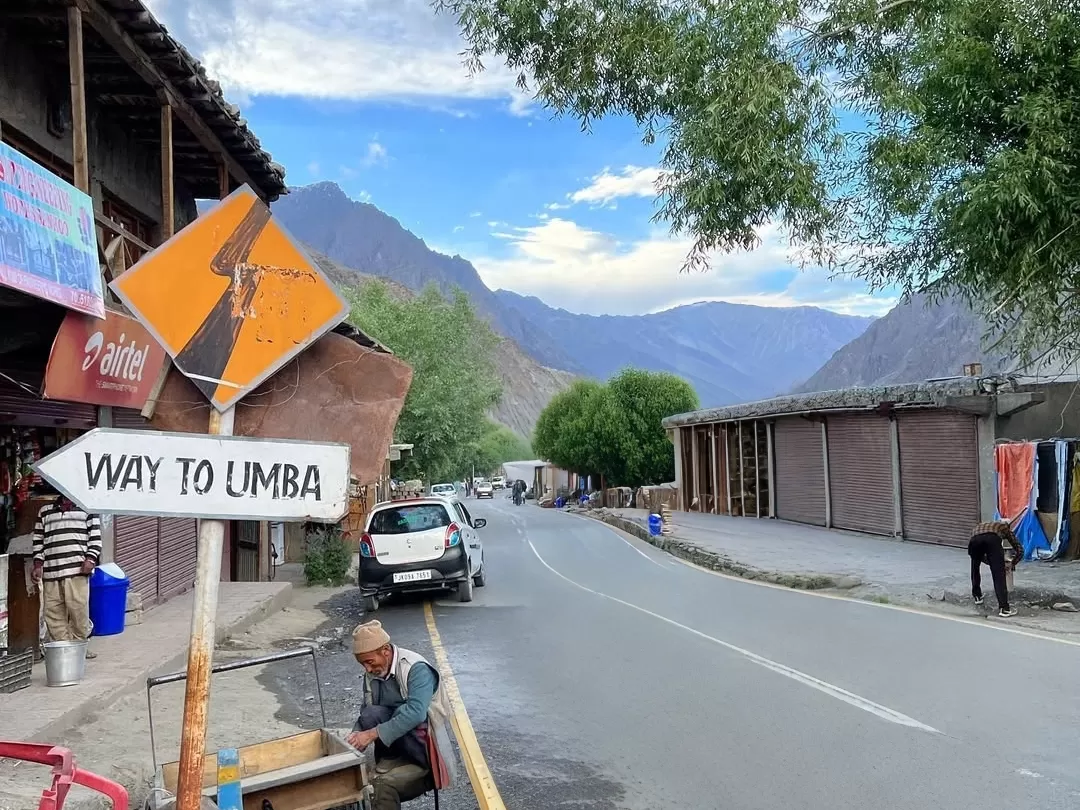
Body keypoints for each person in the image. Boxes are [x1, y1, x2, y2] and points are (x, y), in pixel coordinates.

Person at [348, 620, 457, 810]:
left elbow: (416, 713)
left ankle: (410, 764)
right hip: (396, 745)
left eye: (369, 662)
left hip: (423, 749)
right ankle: (392, 758)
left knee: (404, 712)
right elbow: (367, 712)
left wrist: (371, 734)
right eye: (362, 664)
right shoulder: (372, 674)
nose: (367, 669)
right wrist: (353, 740)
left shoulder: (416, 668)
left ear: (385, 651)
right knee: (370, 713)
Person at [31, 494, 102, 656]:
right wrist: (38, 564)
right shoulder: (45, 511)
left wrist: (90, 559)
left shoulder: (87, 508)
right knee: (53, 614)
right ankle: (64, 649)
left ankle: (80, 647)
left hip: (77, 572)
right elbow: (38, 540)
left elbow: (96, 539)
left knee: (78, 611)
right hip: (51, 572)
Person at [969, 520, 1024, 617]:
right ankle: (1004, 609)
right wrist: (1012, 563)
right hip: (992, 540)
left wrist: (990, 562)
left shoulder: (981, 526)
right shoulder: (1004, 528)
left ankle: (977, 596)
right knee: (998, 575)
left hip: (974, 541)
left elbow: (975, 553)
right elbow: (1019, 549)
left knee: (975, 567)